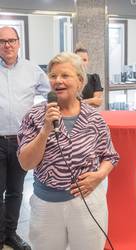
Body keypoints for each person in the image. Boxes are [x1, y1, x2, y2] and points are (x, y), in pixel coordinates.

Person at [17, 52, 119, 250]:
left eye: (65, 75)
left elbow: (110, 156)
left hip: (88, 203)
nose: (58, 81)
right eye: (53, 76)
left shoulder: (95, 118)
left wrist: (99, 175)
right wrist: (46, 130)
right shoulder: (34, 116)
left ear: (80, 81)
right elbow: (26, 163)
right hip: (46, 206)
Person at [0, 26, 49, 250]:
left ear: (19, 43)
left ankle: (9, 235)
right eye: (2, 41)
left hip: (22, 142)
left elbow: (52, 93)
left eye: (11, 40)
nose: (7, 45)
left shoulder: (32, 70)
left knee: (15, 192)